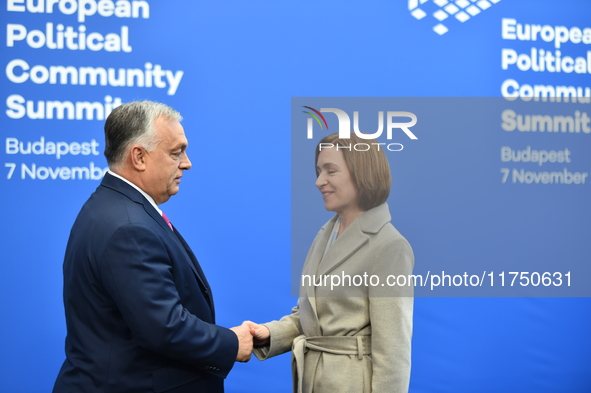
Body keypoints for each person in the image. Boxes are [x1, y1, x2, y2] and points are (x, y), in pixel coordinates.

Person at [53, 101, 253, 393]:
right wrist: (233, 342)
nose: (187, 162)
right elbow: (164, 328)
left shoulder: (114, 207)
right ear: (139, 157)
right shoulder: (128, 226)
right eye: (176, 152)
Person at [249, 132, 414, 393]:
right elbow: (311, 318)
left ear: (362, 173)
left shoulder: (390, 246)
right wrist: (270, 334)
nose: (318, 181)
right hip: (311, 381)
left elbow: (394, 350)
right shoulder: (325, 234)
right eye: (318, 170)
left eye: (330, 170)